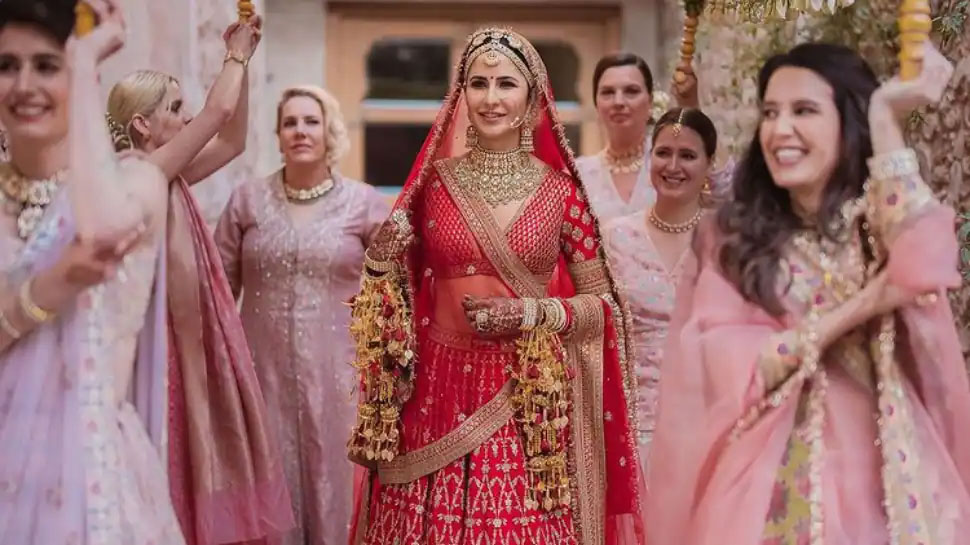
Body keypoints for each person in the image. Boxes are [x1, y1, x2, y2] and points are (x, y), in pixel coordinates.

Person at [646, 42, 970, 544]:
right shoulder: (736, 241)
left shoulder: (875, 219)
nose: (780, 130)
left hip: (889, 482)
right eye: (771, 113)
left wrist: (885, 118)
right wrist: (863, 305)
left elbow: (923, 263)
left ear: (848, 122)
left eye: (805, 111)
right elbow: (735, 366)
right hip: (770, 489)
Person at [346, 27, 644, 545]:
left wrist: (531, 315)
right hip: (434, 393)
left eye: (506, 83)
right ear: (461, 94)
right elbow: (390, 290)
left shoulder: (560, 192)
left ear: (532, 97)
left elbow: (602, 308)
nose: (490, 98)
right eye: (477, 83)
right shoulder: (433, 185)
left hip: (525, 397)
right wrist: (377, 263)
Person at [105, 14, 292, 545]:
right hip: (156, 341)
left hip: (189, 333)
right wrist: (232, 53)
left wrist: (246, 66)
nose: (186, 118)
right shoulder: (138, 170)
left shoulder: (169, 169)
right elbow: (218, 111)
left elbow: (231, 139)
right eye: (173, 109)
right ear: (142, 125)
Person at [0, 0, 182, 542]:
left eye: (46, 65)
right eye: (7, 66)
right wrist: (49, 287)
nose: (24, 84)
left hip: (89, 466)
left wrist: (82, 68)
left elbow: (101, 233)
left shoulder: (137, 182)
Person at [214, 85, 389, 545]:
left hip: (340, 378)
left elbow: (397, 291)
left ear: (328, 130)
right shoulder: (246, 202)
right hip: (260, 374)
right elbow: (217, 291)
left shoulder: (363, 204)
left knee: (336, 485)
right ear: (277, 134)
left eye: (310, 121)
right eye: (289, 122)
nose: (299, 131)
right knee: (266, 481)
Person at [602, 107, 721, 477]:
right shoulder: (615, 237)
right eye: (663, 152)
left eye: (687, 155)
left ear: (708, 165)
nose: (673, 166)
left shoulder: (726, 245)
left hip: (708, 427)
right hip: (630, 427)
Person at [576, 53, 700, 222]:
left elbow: (721, 191)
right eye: (608, 92)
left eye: (631, 91)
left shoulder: (671, 163)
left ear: (650, 101)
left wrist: (691, 106)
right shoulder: (578, 175)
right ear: (596, 104)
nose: (618, 102)